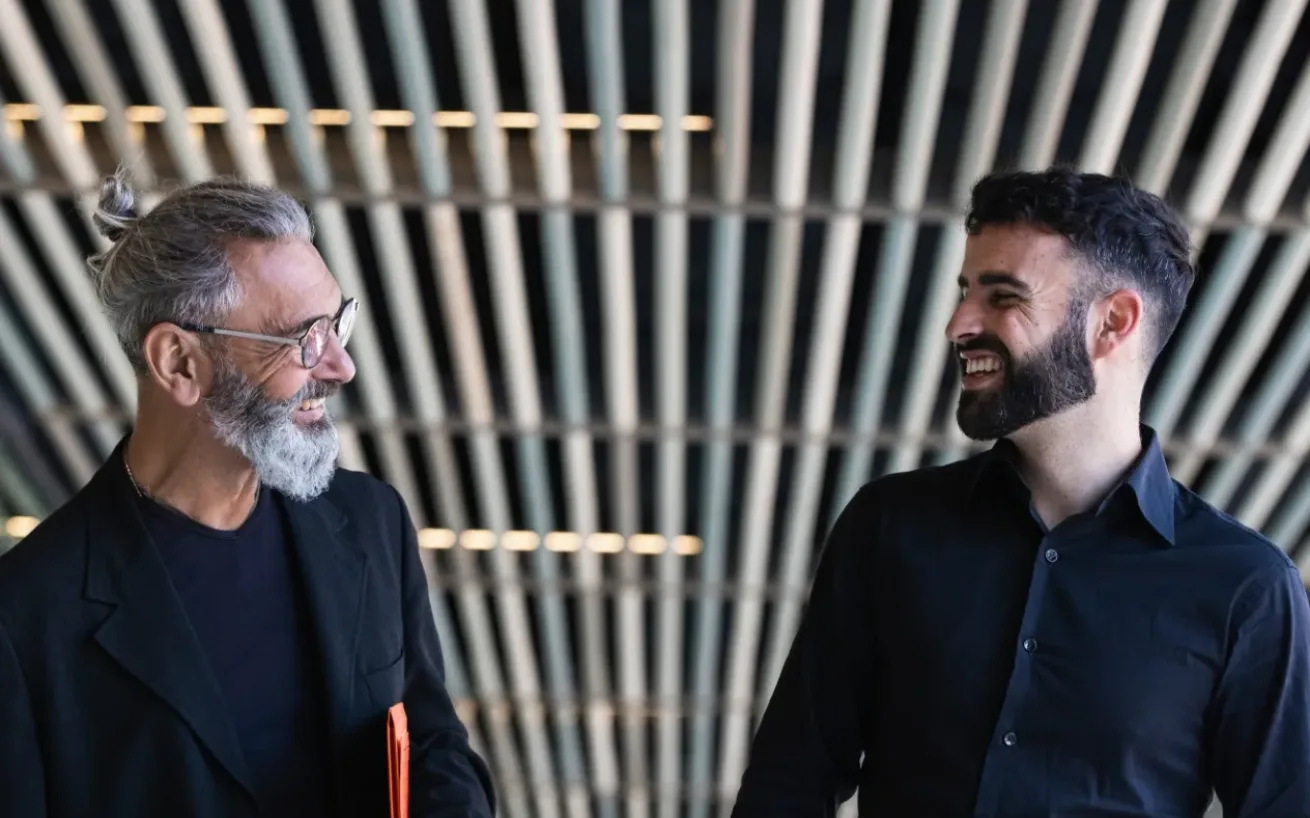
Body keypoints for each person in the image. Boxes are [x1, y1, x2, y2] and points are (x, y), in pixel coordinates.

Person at [732, 168, 1310, 817]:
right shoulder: (890, 526)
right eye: (965, 293)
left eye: (1002, 298)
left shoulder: (1245, 587)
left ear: (1112, 322)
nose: (958, 324)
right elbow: (789, 780)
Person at [0, 173, 495, 818]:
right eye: (303, 339)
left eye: (337, 325)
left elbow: (430, 741)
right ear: (178, 363)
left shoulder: (370, 521)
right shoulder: (23, 617)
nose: (341, 367)